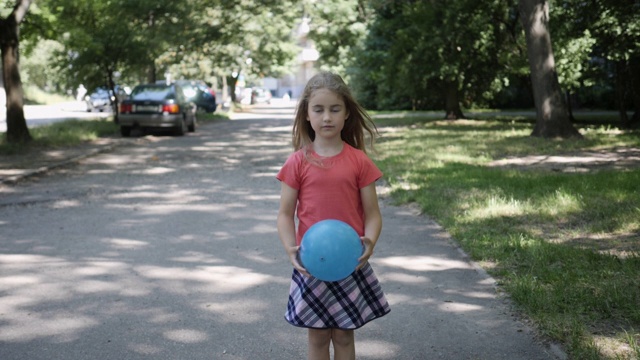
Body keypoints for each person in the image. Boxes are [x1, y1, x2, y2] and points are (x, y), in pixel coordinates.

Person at [276, 71, 390, 360]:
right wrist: (291, 249)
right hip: (312, 264)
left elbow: (373, 214)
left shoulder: (359, 161)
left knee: (343, 335)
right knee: (317, 337)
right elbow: (285, 214)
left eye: (334, 109)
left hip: (349, 263)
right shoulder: (296, 162)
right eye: (319, 109)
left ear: (347, 113)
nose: (327, 117)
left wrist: (370, 242)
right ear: (307, 114)